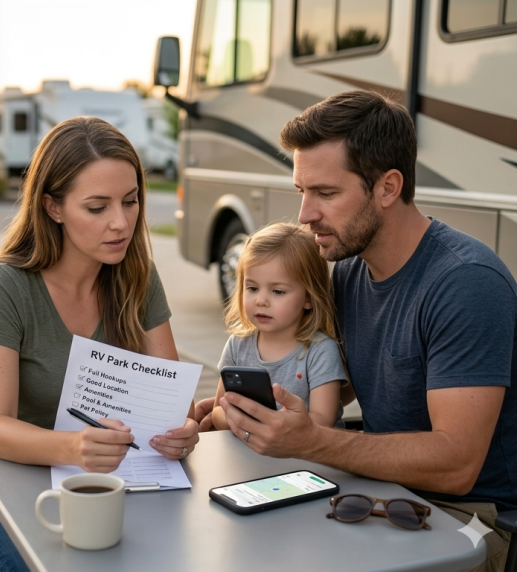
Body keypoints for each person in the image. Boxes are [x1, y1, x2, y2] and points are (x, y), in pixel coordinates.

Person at [213, 90, 515, 571]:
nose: (305, 214)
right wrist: (248, 407)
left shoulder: (466, 283)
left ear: (388, 188)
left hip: (473, 519)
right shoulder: (351, 271)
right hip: (380, 493)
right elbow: (344, 383)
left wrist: (311, 440)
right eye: (302, 192)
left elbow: (457, 464)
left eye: (326, 194)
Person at [0, 116, 200, 571]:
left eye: (130, 202)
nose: (120, 222)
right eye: (97, 208)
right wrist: (74, 447)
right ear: (53, 207)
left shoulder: (138, 279)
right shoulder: (4, 286)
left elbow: (174, 404)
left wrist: (181, 433)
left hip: (93, 479)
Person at [211, 222, 350, 431]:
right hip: (253, 456)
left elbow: (323, 421)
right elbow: (218, 410)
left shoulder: (320, 351)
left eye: (278, 291)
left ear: (309, 298)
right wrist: (240, 421)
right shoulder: (238, 344)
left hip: (309, 460)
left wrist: (274, 428)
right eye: (252, 288)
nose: (261, 300)